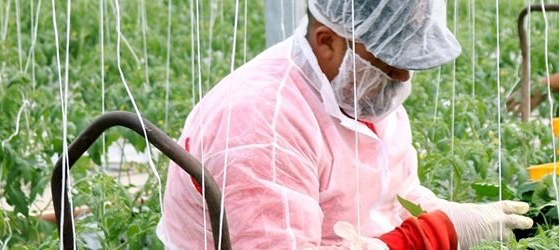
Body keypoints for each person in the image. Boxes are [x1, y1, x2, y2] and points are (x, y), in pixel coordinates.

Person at [156, 0, 533, 249]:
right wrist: (432, 234)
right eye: (389, 58)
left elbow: (393, 197)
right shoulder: (259, 127)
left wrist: (452, 215)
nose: (402, 75)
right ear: (327, 42)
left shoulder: (360, 92)